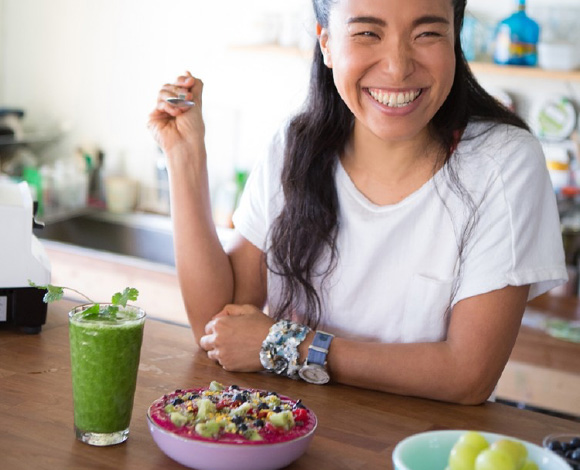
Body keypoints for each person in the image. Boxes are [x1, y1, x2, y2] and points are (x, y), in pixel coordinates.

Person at [148, 0, 567, 404]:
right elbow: (218, 325)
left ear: (454, 39)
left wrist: (286, 345)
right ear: (327, 43)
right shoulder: (295, 146)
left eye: (427, 33)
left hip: (425, 456)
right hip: (284, 440)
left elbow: (468, 375)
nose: (398, 66)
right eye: (368, 32)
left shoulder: (503, 162)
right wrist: (185, 159)